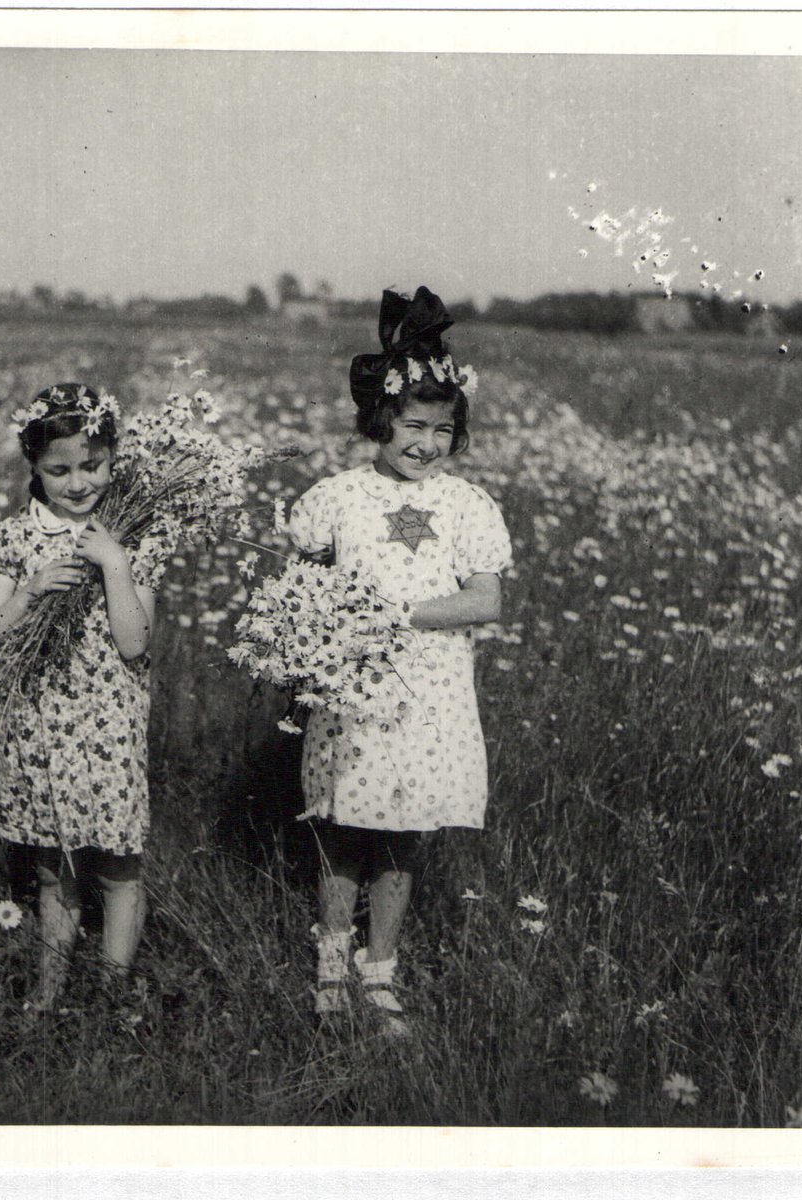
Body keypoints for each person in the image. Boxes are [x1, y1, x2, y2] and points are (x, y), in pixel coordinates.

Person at [286, 287, 512, 1036]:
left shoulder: (466, 505)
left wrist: (398, 613)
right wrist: (308, 636)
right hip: (352, 693)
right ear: (380, 419)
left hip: (429, 698)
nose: (426, 444)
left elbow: (485, 600)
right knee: (344, 825)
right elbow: (302, 589)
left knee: (403, 833)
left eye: (442, 430)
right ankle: (330, 964)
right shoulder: (335, 499)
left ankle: (379, 968)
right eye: (413, 425)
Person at [0, 383, 159, 1013]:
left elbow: (135, 643)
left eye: (93, 466)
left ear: (114, 458)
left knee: (118, 866)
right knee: (55, 867)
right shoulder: (14, 538)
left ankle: (111, 998)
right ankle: (48, 997)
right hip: (42, 726)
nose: (78, 484)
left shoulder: (133, 535)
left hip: (109, 724)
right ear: (33, 466)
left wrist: (115, 564)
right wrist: (30, 591)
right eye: (59, 471)